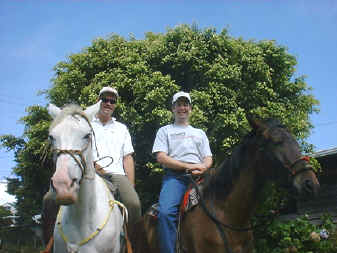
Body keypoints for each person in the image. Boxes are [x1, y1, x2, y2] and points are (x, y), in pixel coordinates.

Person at [152, 91, 213, 253]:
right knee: (165, 214)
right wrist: (187, 166)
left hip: (201, 177)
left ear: (190, 108)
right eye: (179, 104)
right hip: (175, 178)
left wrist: (204, 167)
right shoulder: (165, 131)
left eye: (185, 104)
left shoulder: (199, 133)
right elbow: (161, 158)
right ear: (173, 108)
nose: (182, 108)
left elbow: (208, 158)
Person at [92, 86, 141, 227]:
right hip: (91, 174)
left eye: (112, 101)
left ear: (115, 105)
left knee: (134, 204)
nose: (108, 103)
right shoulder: (87, 124)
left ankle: (131, 243)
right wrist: (93, 166)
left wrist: (130, 185)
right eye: (104, 99)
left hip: (118, 175)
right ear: (98, 101)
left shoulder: (121, 128)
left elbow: (128, 158)